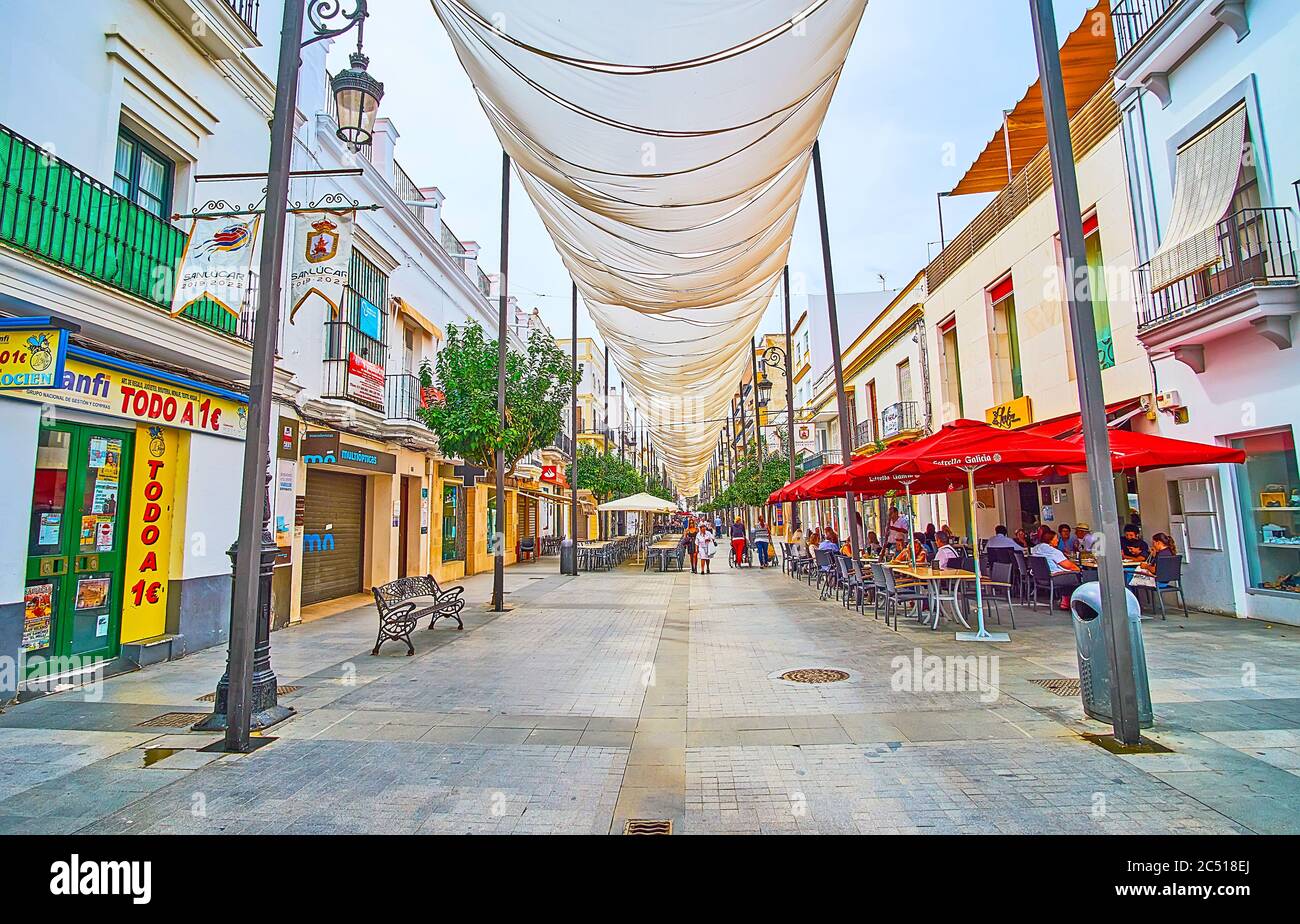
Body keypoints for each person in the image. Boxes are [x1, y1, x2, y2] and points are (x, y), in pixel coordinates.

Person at [1031, 527, 1082, 608]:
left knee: (1069, 574)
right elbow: (1069, 566)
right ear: (1050, 540)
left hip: (1040, 579)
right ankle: (1073, 602)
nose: (1058, 541)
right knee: (1078, 575)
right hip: (1053, 578)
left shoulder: (1036, 548)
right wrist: (1079, 570)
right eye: (1056, 539)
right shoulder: (1053, 551)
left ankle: (1065, 601)